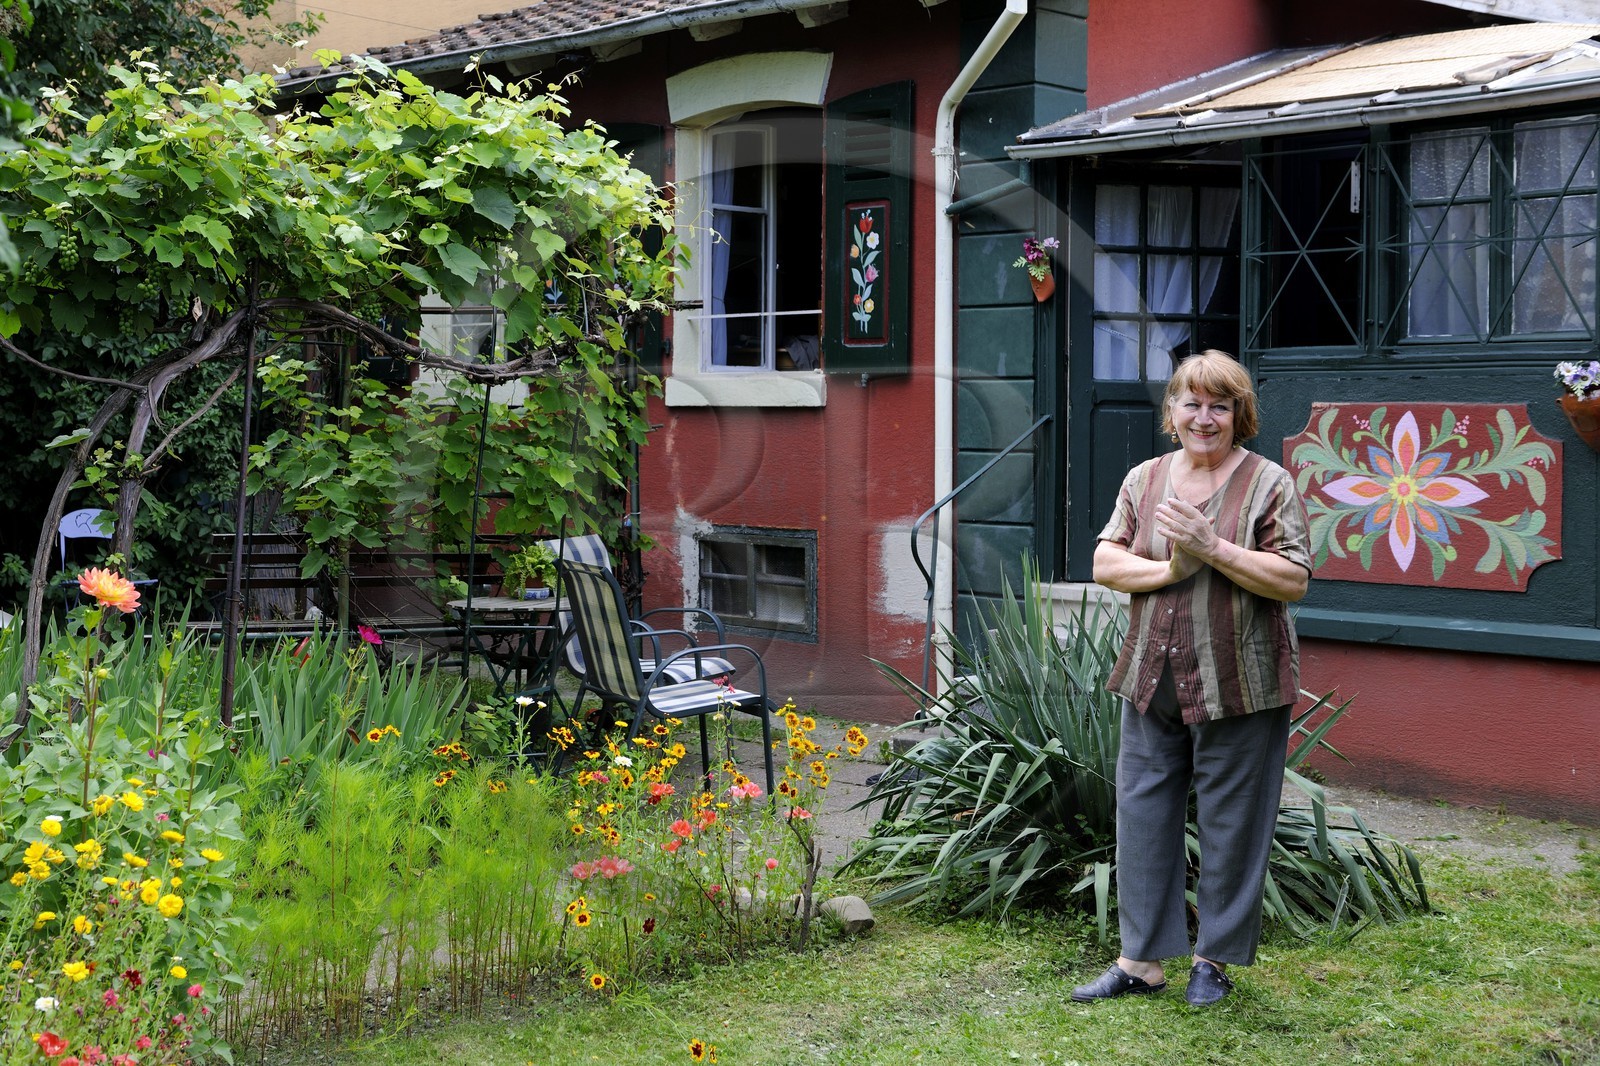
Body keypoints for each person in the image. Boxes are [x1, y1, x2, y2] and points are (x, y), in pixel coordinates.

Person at [1070, 350, 1312, 1007]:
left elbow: (1292, 577)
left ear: (1241, 415)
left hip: (1240, 678)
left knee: (1233, 822)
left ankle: (1213, 962)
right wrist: (1171, 573)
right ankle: (1139, 963)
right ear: (1172, 413)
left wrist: (1212, 550)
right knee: (1143, 815)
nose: (1205, 417)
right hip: (1153, 673)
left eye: (1221, 405)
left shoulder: (1269, 485)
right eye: (1192, 403)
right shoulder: (1143, 479)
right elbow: (1105, 562)